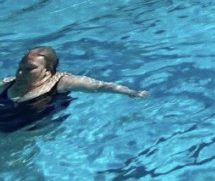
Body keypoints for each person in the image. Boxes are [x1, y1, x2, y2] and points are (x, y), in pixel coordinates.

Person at [1, 47, 147, 131]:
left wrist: (132, 93)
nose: (20, 73)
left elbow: (99, 86)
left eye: (29, 69)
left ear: (48, 71)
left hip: (31, 133)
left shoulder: (61, 82)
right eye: (20, 68)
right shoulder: (7, 84)